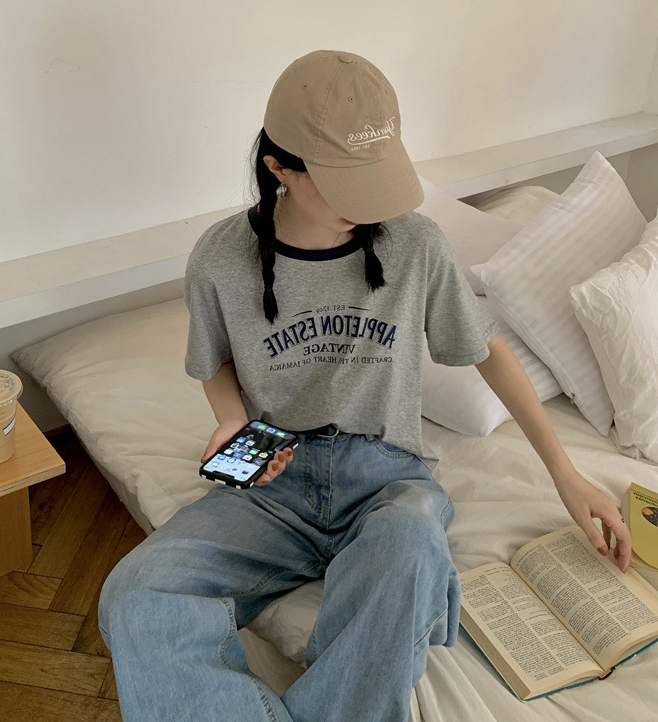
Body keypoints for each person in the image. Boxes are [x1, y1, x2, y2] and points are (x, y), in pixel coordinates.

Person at [98, 50, 632, 722]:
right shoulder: (221, 257)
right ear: (279, 168)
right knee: (137, 594)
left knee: (412, 550)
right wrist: (233, 424)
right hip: (272, 481)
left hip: (388, 480)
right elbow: (214, 363)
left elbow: (487, 350)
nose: (365, 205)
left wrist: (565, 473)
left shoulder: (416, 245)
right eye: (342, 184)